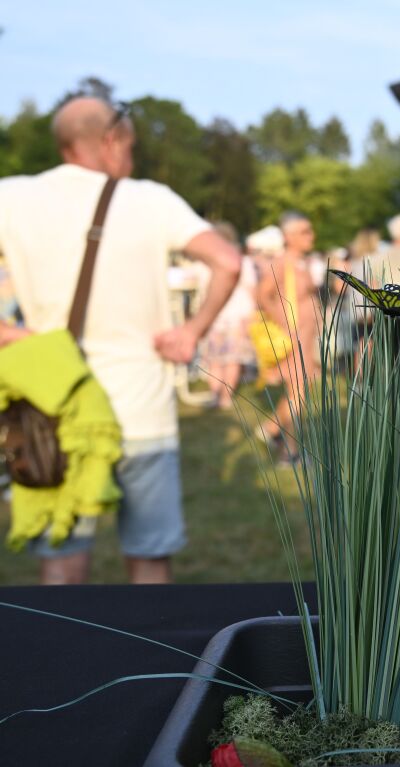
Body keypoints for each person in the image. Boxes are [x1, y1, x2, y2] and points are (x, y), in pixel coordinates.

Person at [0, 96, 241, 584]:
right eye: (130, 146)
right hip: (141, 409)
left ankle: (65, 661)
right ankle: (150, 658)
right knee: (149, 559)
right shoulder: (151, 199)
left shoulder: (12, 196)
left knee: (62, 559)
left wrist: (9, 334)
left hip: (55, 409)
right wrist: (190, 331)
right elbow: (229, 261)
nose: (130, 160)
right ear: (111, 141)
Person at [256, 211, 321, 463]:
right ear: (289, 236)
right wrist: (282, 324)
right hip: (294, 336)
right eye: (305, 231)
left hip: (305, 335)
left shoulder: (299, 261)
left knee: (302, 388)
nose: (311, 236)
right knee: (297, 393)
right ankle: (289, 452)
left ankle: (271, 429)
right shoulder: (283, 262)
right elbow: (263, 295)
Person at [198, 222, 257, 410]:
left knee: (215, 358)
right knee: (232, 358)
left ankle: (216, 394)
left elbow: (202, 290)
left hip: (216, 316)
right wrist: (252, 312)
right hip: (236, 314)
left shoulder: (206, 262)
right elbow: (251, 288)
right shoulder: (242, 260)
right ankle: (224, 397)